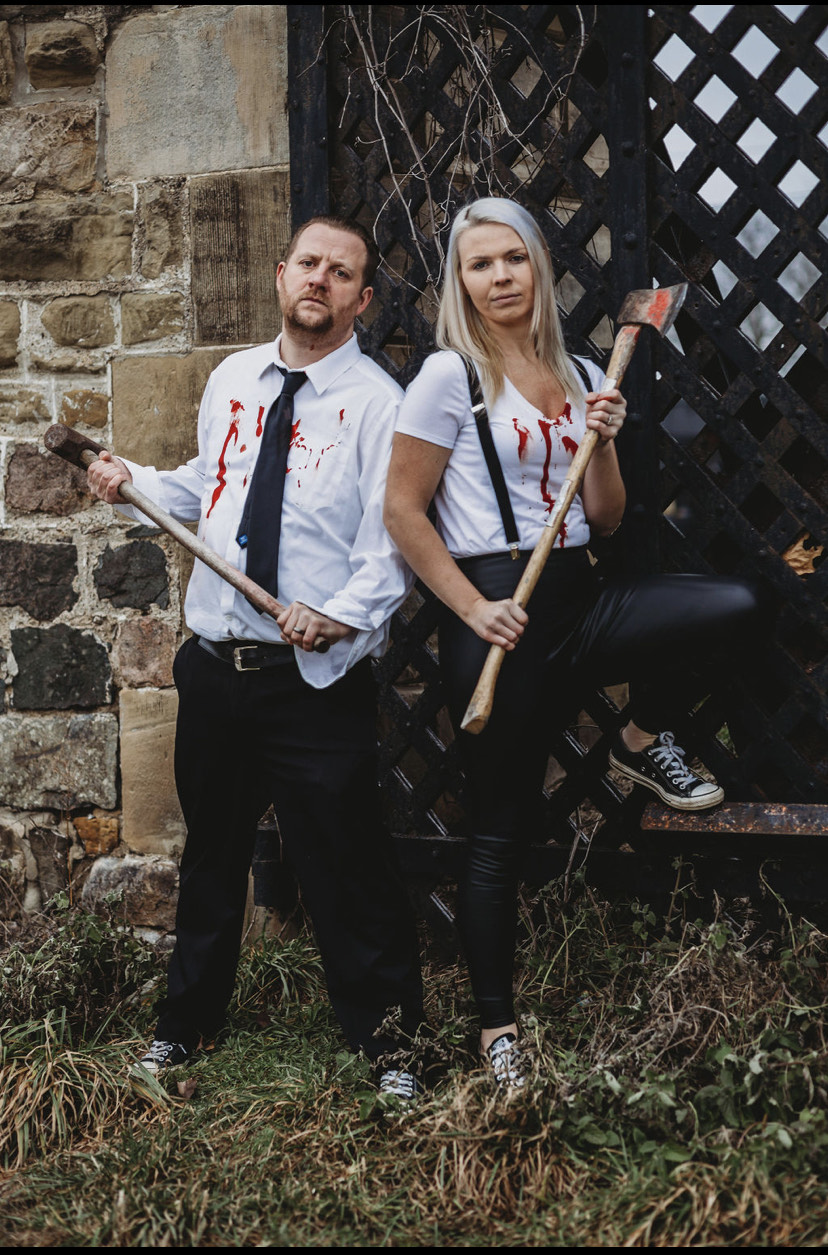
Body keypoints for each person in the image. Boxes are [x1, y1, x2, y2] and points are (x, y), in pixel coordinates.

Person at [383, 197, 767, 1091]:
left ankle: (639, 737)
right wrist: (473, 612)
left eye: (514, 257)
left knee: (735, 602)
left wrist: (601, 443)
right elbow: (403, 512)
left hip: (580, 599)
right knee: (500, 834)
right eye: (481, 264)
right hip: (498, 614)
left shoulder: (583, 364)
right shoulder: (448, 376)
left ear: (539, 267)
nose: (501, 276)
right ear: (461, 282)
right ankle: (497, 1033)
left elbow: (606, 517)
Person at [87, 215, 425, 1101]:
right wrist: (135, 485)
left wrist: (340, 618)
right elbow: (206, 487)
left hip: (311, 681)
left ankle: (390, 1045)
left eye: (340, 271)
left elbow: (385, 553)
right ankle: (183, 1029)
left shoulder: (378, 405)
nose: (320, 279)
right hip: (216, 671)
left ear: (362, 297)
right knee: (211, 859)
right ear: (282, 276)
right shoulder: (235, 377)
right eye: (308, 263)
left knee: (346, 864)